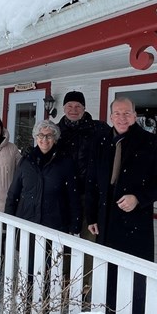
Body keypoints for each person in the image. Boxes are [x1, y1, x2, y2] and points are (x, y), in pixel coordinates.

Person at [86, 96, 157, 314]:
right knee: (107, 276)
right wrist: (92, 217)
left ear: (135, 116)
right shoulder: (100, 142)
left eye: (127, 113)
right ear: (110, 116)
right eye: (117, 113)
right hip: (105, 223)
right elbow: (91, 182)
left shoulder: (151, 143)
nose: (122, 118)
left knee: (134, 280)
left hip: (135, 226)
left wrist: (139, 198)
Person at [5, 120, 81, 234]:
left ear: (55, 139)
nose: (44, 139)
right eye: (41, 135)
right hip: (27, 223)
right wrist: (8, 221)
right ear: (36, 137)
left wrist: (75, 225)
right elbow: (13, 194)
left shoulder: (65, 162)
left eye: (49, 136)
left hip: (55, 226)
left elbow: (73, 196)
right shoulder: (26, 161)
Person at [56, 91, 108, 240]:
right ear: (63, 108)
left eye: (78, 106)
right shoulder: (55, 131)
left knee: (89, 239)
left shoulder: (99, 129)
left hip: (89, 195)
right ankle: (63, 264)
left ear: (84, 108)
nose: (74, 109)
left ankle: (87, 264)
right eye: (69, 106)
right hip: (63, 194)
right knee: (62, 239)